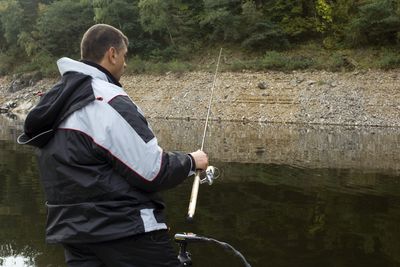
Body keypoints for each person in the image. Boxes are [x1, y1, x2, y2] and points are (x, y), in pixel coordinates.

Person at [17, 24, 208, 267]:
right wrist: (192, 161)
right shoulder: (107, 99)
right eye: (124, 55)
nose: (125, 64)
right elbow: (153, 171)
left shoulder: (56, 102)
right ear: (112, 54)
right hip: (125, 231)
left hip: (73, 235)